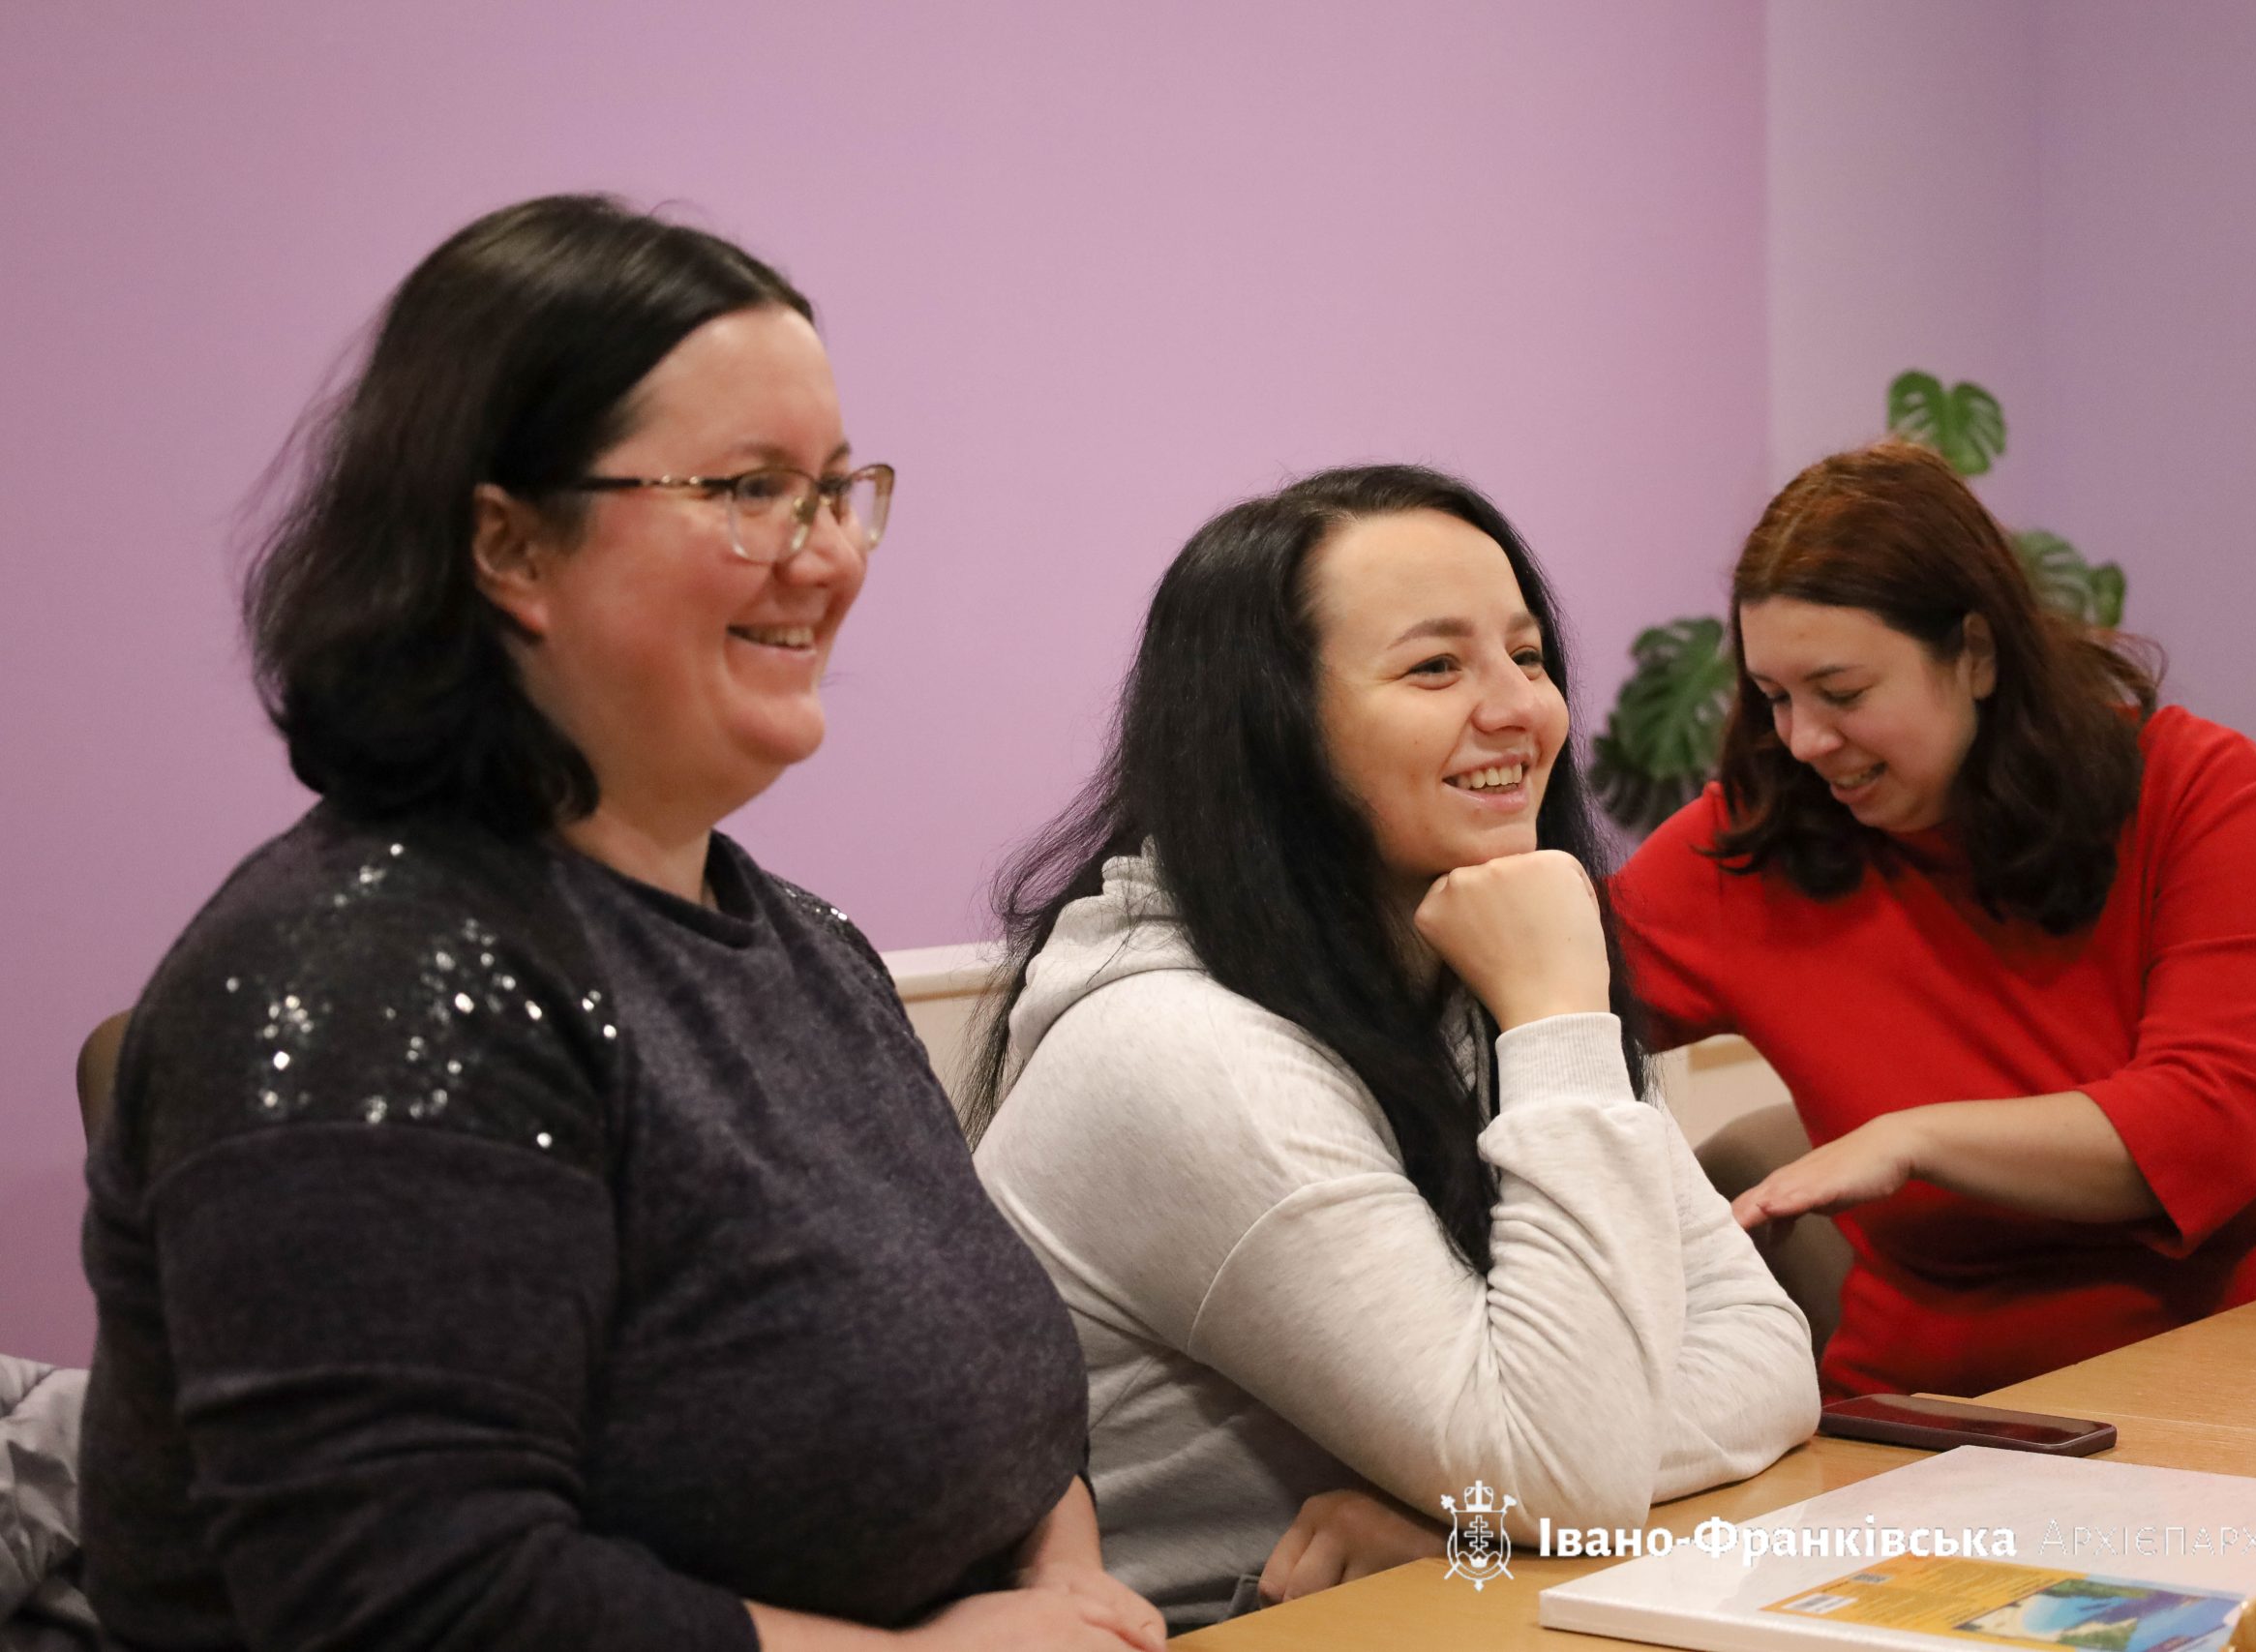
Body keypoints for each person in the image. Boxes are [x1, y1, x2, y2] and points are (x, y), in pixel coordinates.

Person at [79, 195, 1163, 1652]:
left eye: (835, 490)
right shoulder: (366, 979)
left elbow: (997, 1394)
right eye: (750, 489)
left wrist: (1059, 1570)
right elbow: (413, 1602)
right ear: (512, 547)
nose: (828, 555)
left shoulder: (804, 944)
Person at [970, 466, 1820, 1632]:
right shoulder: (1182, 1051)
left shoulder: (1451, 955)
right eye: (1434, 667)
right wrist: (1527, 1487)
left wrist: (1494, 1503)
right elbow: (1564, 1470)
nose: (1520, 709)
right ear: (1270, 728)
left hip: (1434, 1605)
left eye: (1525, 655)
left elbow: (1765, 1353)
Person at [1609, 439, 2256, 1403]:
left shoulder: (2199, 790)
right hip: (1950, 1391)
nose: (1804, 740)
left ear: (1976, 654)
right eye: (1775, 698)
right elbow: (1530, 998)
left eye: (1843, 694)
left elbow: (2212, 1128)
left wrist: (1913, 1141)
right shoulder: (1751, 845)